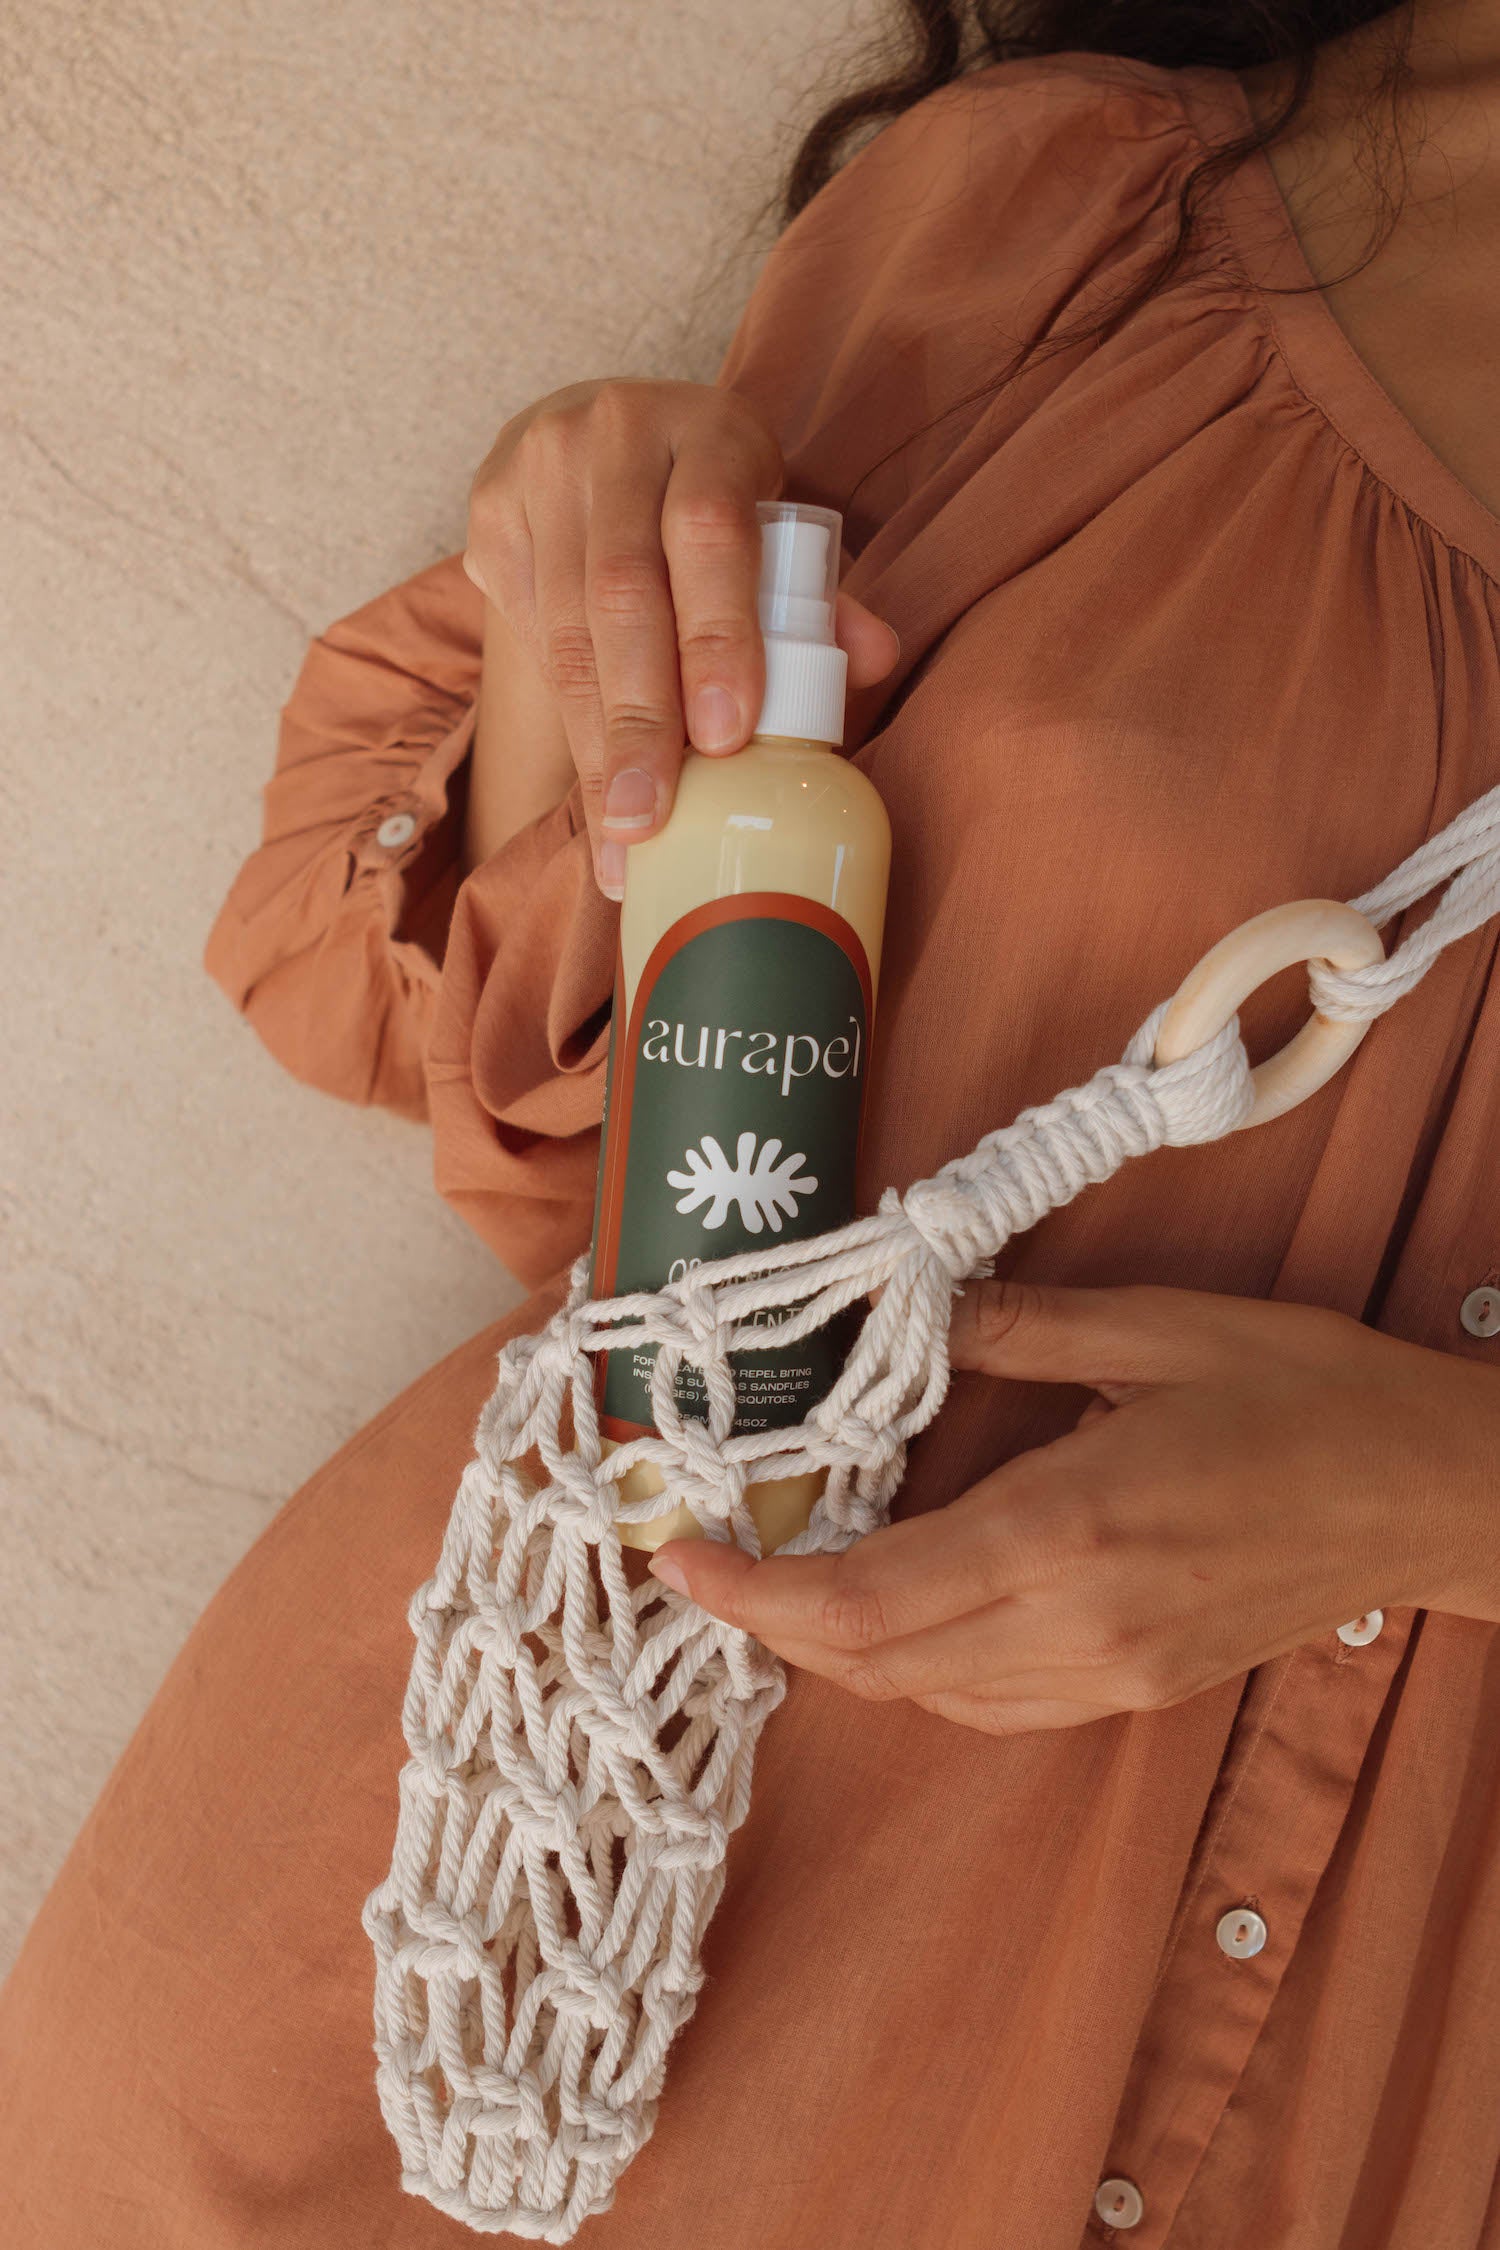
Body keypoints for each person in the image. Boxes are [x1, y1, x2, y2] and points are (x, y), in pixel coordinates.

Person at [4, 3, 1499, 2244]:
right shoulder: (1093, 228)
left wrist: (1445, 1495)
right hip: (502, 1892)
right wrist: (571, 602)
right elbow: (531, 1125)